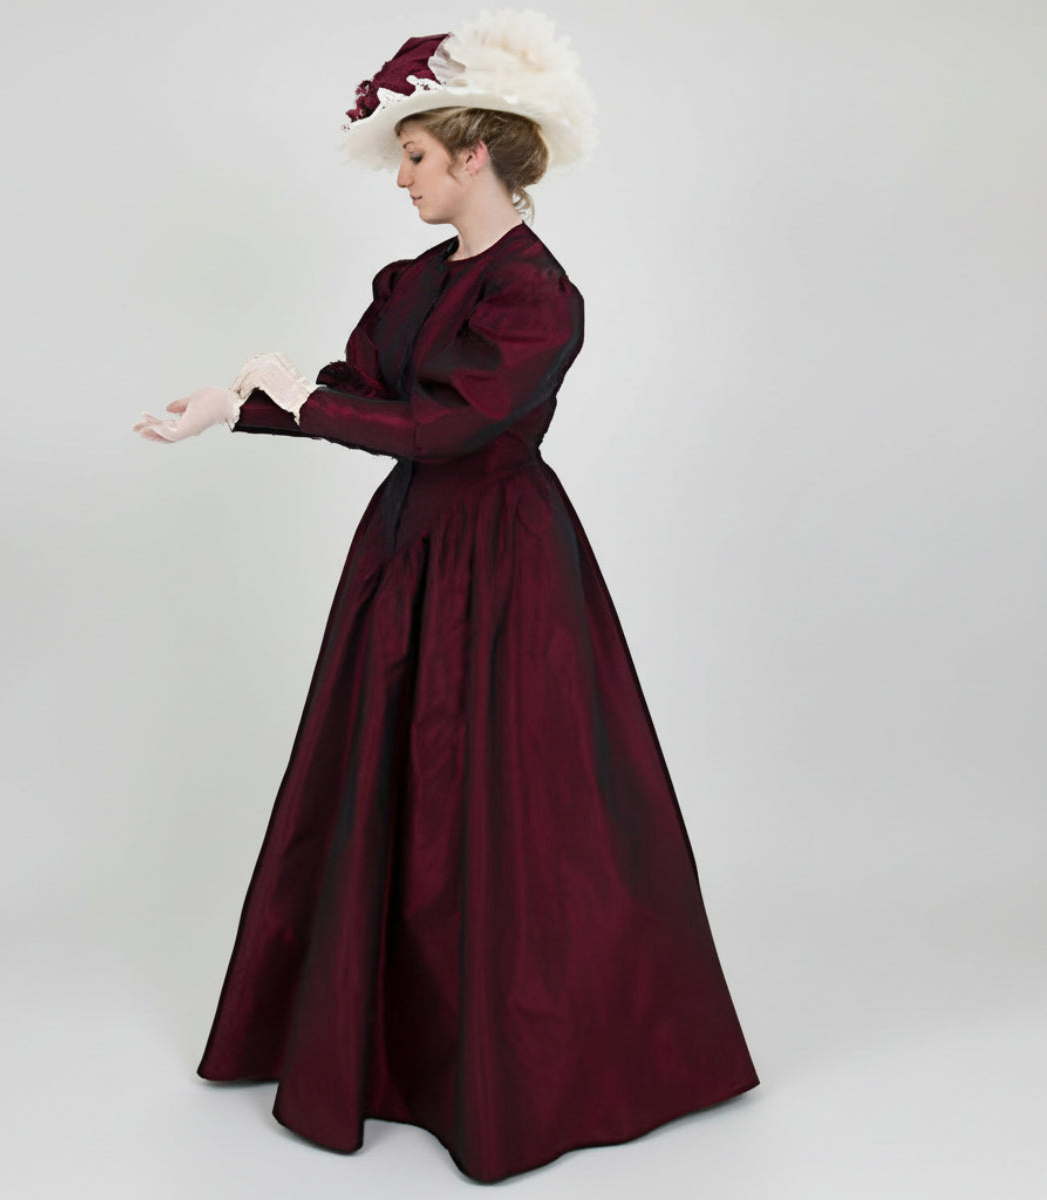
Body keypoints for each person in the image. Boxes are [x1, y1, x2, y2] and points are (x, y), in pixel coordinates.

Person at [132, 9, 759, 1184]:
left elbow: (445, 427)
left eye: (416, 156)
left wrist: (302, 400)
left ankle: (514, 1070)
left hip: (508, 566)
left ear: (475, 154)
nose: (403, 178)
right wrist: (233, 407)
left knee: (510, 804)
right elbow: (363, 398)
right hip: (409, 555)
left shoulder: (540, 297)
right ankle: (387, 1046)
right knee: (387, 787)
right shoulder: (413, 282)